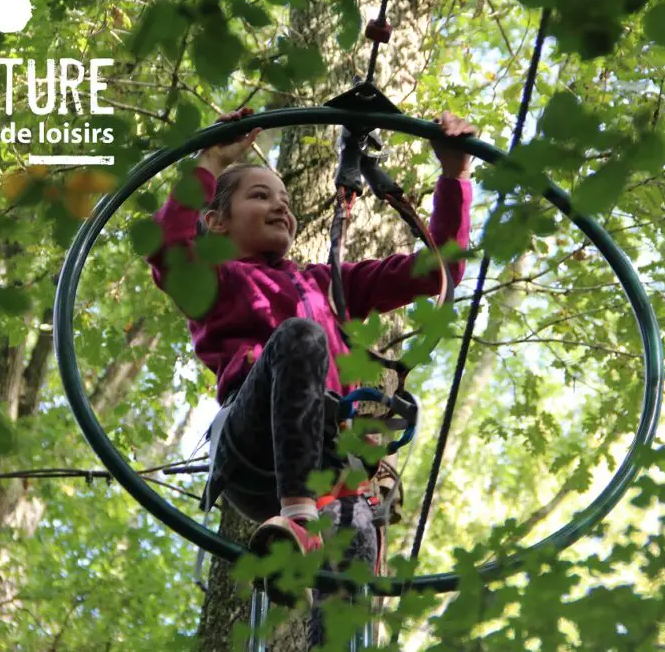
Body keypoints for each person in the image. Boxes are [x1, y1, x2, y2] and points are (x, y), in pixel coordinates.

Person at [146, 107, 475, 611]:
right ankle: (297, 523)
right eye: (260, 197)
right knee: (300, 337)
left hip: (329, 457)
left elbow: (437, 272)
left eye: (286, 201)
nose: (281, 208)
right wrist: (209, 160)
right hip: (255, 445)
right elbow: (169, 246)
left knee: (359, 541)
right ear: (213, 222)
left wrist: (454, 176)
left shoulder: (327, 284)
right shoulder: (216, 277)